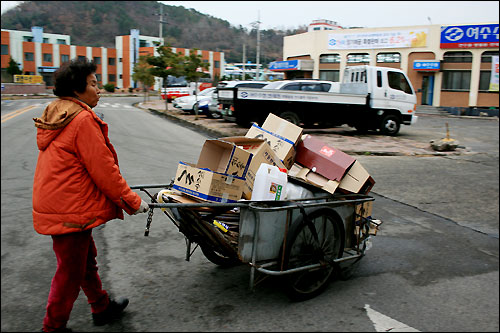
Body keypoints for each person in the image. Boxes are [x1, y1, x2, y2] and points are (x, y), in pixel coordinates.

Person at [32, 58, 150, 332]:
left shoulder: (58, 111)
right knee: (70, 270)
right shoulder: (82, 119)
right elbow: (104, 171)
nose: (99, 90)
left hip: (58, 203)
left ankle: (101, 306)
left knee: (85, 260)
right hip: (68, 207)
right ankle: (52, 327)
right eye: (94, 84)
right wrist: (133, 202)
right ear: (77, 89)